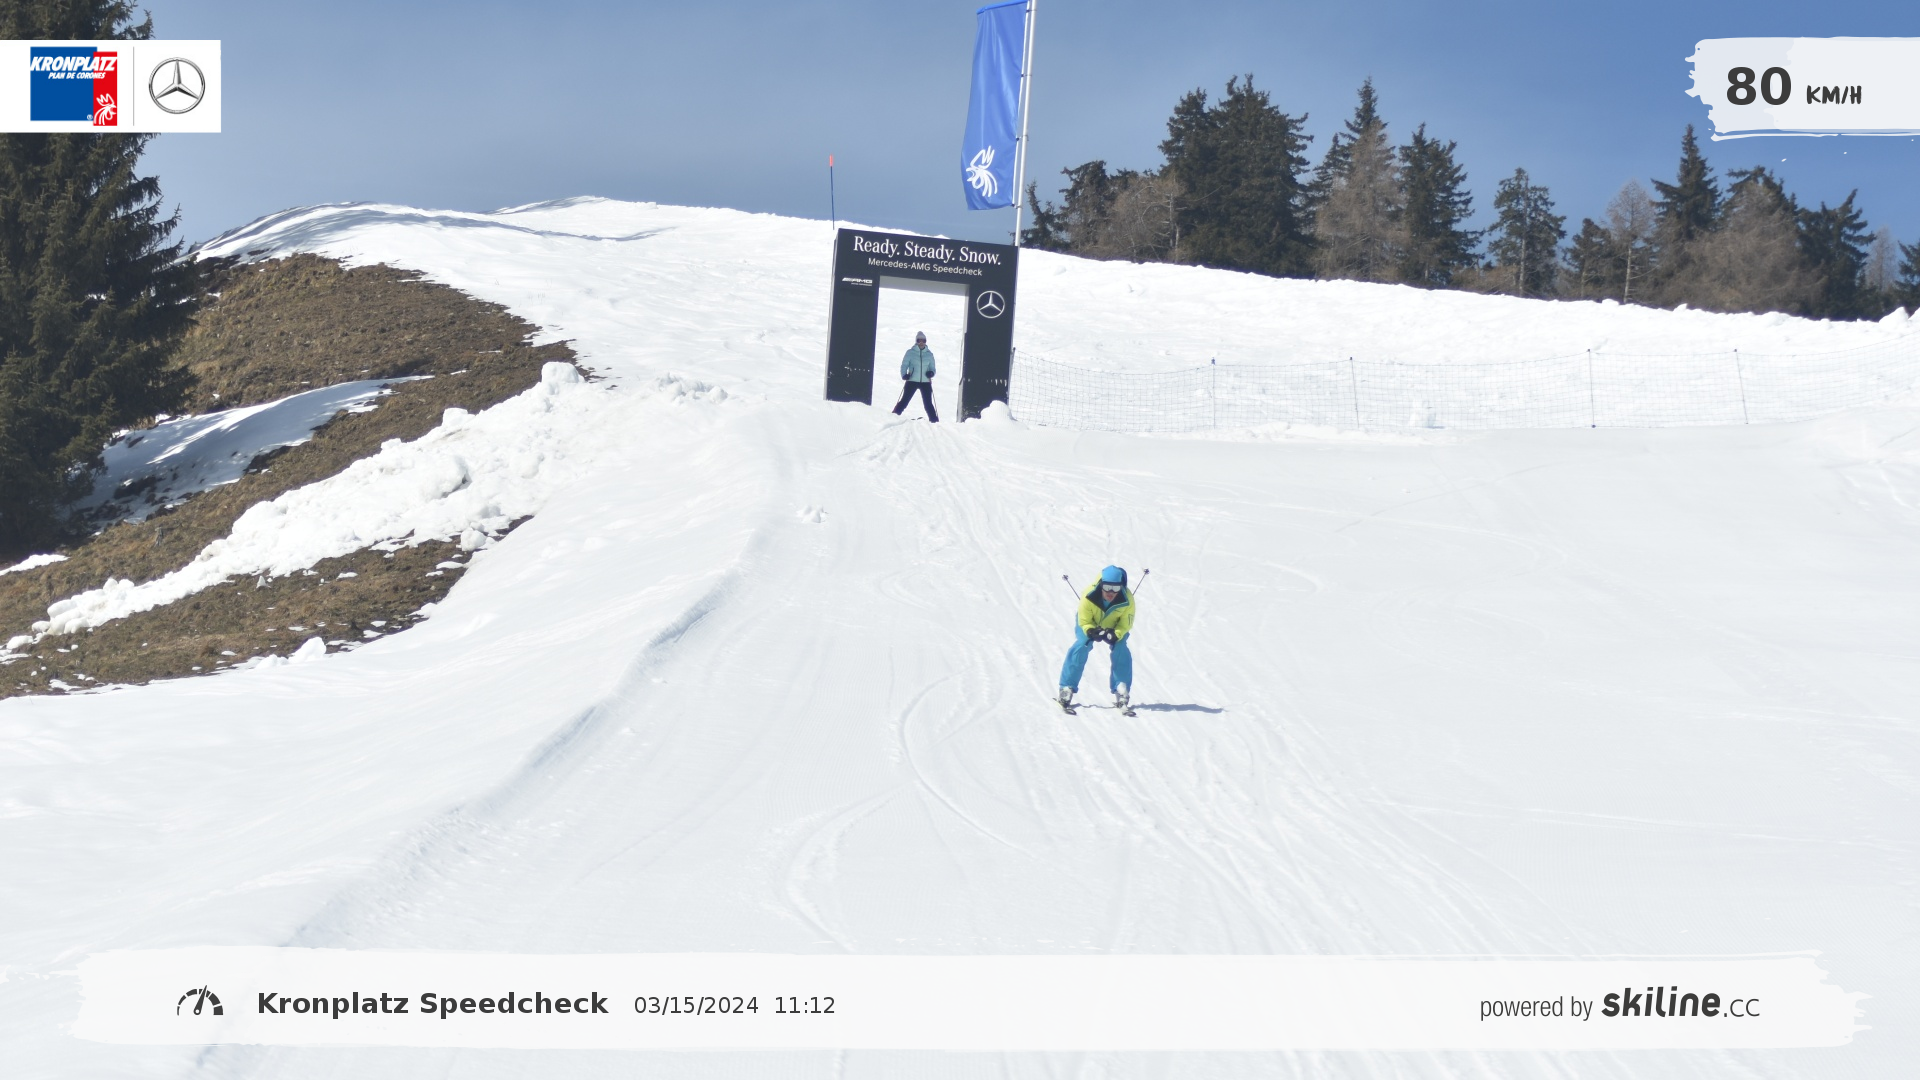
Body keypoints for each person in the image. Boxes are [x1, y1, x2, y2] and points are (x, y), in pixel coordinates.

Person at [1059, 565, 1134, 712]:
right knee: (1082, 644)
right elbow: (1084, 620)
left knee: (1121, 648)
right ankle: (1066, 687)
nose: (1111, 592)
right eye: (1107, 587)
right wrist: (1090, 630)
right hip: (1090, 624)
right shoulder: (1088, 594)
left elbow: (1126, 623)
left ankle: (1121, 688)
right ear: (1100, 585)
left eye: (1116, 588)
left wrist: (1116, 634)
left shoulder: (1127, 599)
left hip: (1115, 626)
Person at [891, 331, 939, 422]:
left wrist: (931, 373)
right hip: (912, 380)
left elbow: (933, 368)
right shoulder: (910, 352)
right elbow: (904, 365)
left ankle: (934, 422)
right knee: (904, 401)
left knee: (928, 404)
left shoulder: (929, 354)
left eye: (923, 341)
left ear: (925, 341)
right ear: (916, 341)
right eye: (919, 340)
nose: (921, 342)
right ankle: (892, 417)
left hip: (925, 382)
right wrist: (904, 375)